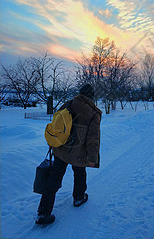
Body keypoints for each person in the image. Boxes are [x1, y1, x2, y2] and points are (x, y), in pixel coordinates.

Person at [36, 84, 102, 225]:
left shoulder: (68, 103)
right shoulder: (93, 113)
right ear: (91, 96)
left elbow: (55, 124)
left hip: (61, 149)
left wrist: (53, 141)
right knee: (79, 172)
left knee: (54, 178)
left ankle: (43, 213)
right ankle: (78, 197)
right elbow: (93, 138)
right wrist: (92, 157)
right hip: (78, 153)